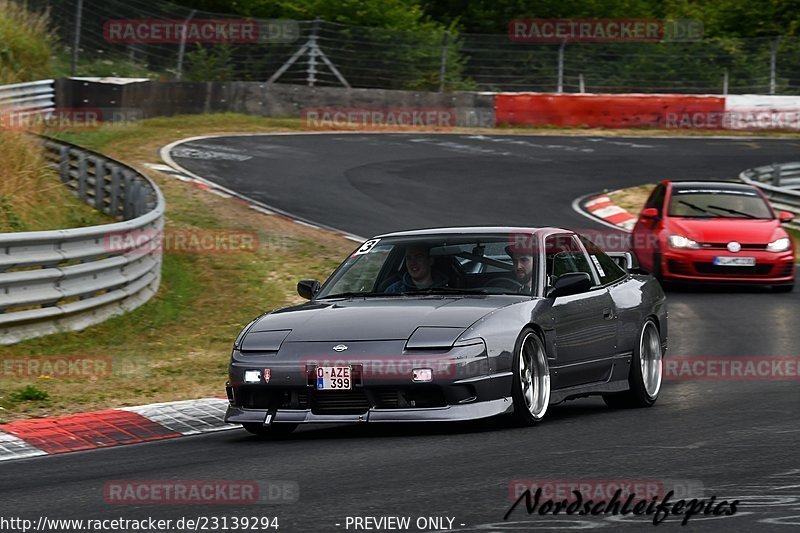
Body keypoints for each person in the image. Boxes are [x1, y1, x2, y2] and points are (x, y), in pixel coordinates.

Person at [384, 245, 448, 293]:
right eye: (409, 258)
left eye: (418, 257)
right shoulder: (393, 291)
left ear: (430, 261)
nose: (413, 263)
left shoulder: (449, 290)